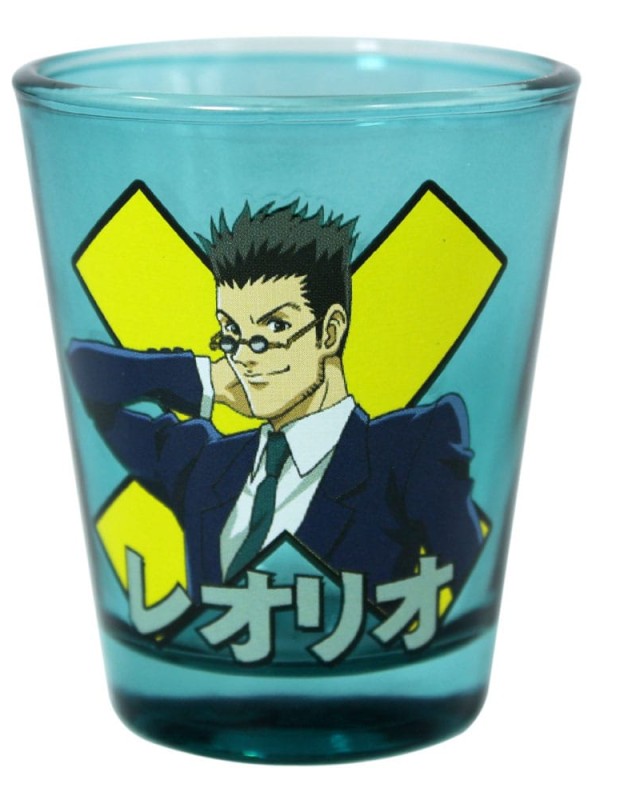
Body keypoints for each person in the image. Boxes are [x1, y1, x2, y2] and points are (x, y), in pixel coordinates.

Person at [67, 200, 483, 604]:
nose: (244, 357)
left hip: (360, 651)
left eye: (275, 327)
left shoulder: (407, 451)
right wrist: (203, 380)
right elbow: (84, 370)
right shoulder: (204, 464)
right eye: (231, 332)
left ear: (329, 332)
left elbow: (470, 588)